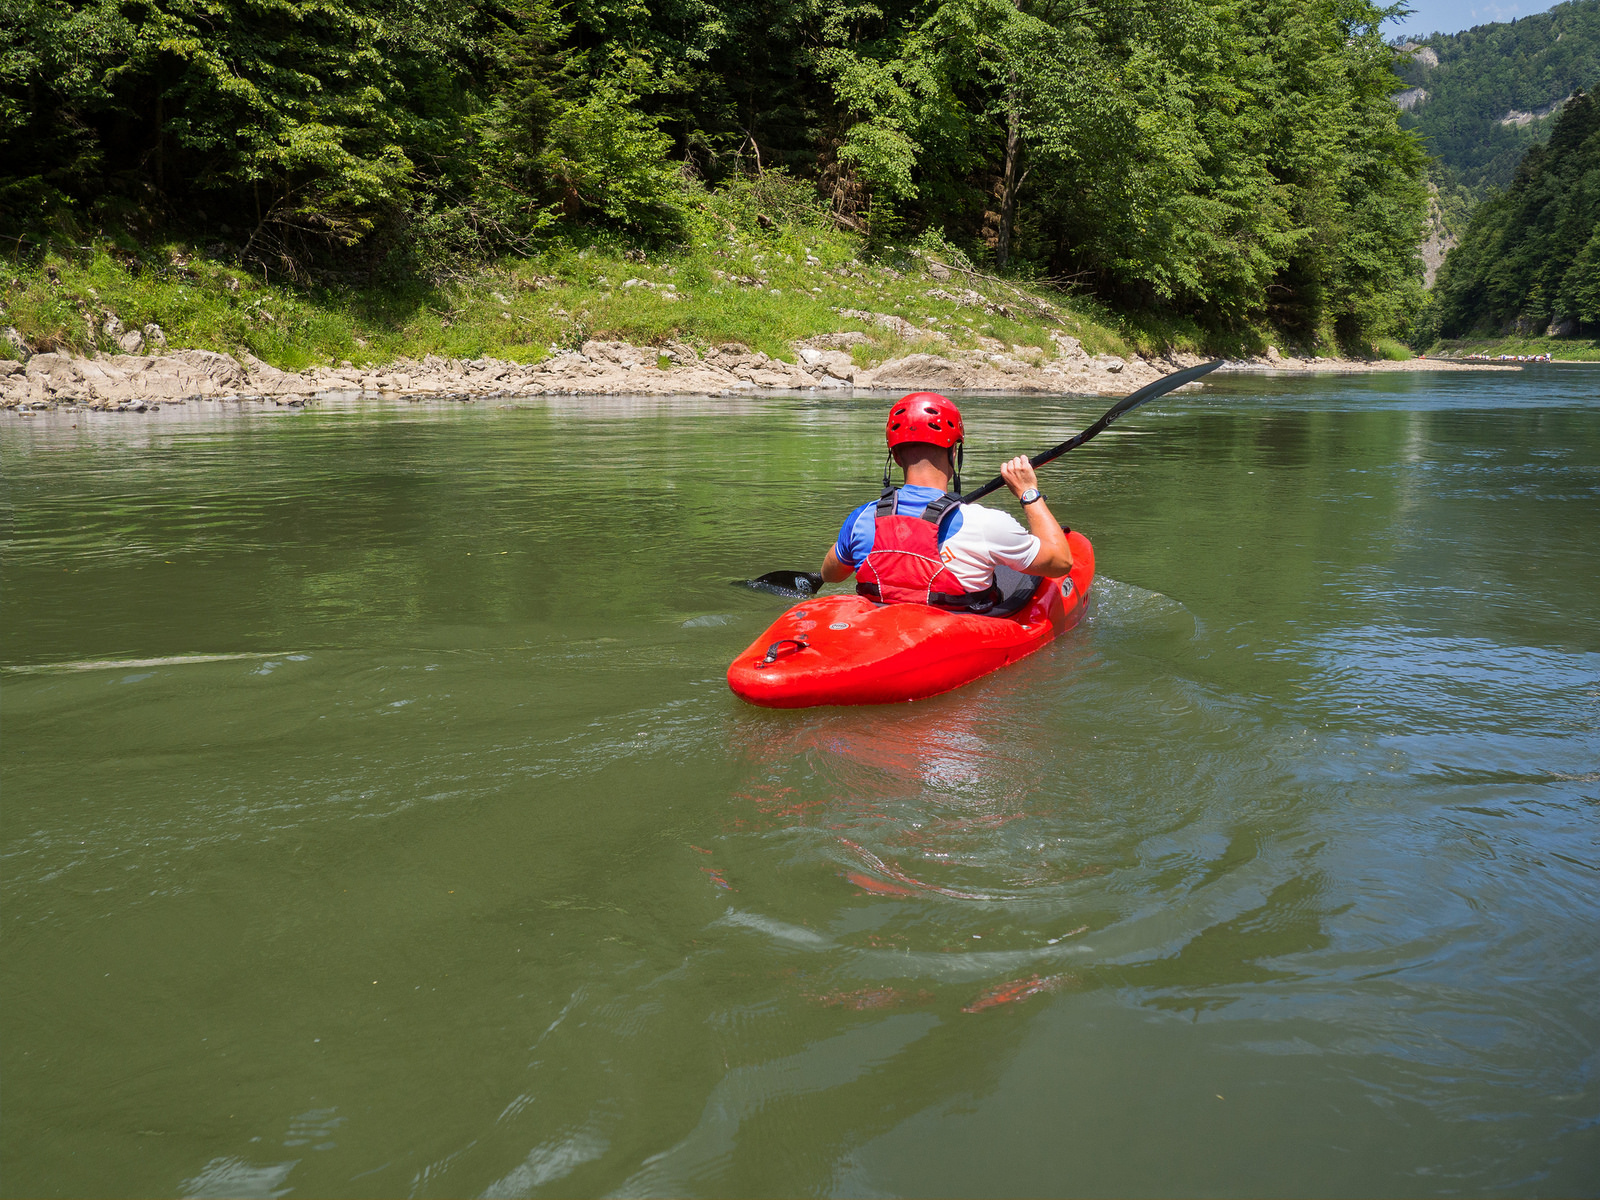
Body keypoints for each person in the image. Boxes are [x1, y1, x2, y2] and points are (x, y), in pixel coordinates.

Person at [820, 392, 1074, 611]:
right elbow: (1060, 562)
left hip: (879, 634)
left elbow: (830, 575)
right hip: (958, 641)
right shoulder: (985, 524)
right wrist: (1028, 492)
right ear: (954, 452)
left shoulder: (862, 518)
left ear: (895, 457)